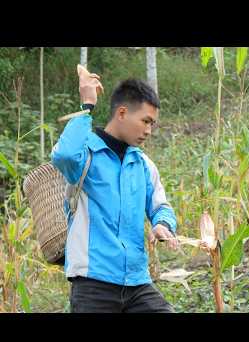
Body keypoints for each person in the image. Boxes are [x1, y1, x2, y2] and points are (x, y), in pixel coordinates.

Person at [51, 67, 178, 313]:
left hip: (137, 282)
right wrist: (87, 105)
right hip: (93, 283)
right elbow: (63, 154)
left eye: (152, 124)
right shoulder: (85, 155)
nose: (149, 131)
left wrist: (163, 224)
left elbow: (161, 206)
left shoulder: (143, 165)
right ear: (122, 113)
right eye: (146, 121)